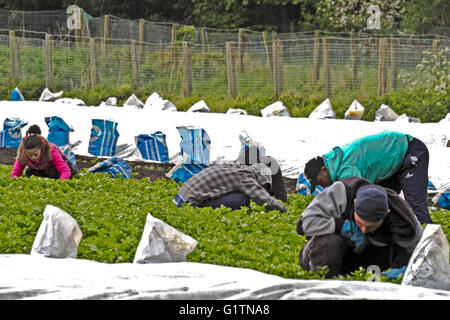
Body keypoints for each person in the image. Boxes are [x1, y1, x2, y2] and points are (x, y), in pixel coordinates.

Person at [296, 177, 424, 279]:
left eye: (370, 227)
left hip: (370, 262)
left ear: (386, 214)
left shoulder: (403, 220)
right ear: (355, 203)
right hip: (326, 254)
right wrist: (341, 226)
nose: (363, 230)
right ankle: (321, 283)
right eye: (360, 223)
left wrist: (405, 268)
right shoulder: (342, 192)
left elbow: (424, 251)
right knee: (330, 241)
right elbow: (302, 225)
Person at [303, 130, 432, 224]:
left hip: (409, 152)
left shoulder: (346, 169)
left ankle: (432, 244)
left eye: (319, 181)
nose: (322, 186)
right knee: (380, 205)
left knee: (416, 208)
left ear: (323, 169)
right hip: (390, 163)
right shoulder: (336, 162)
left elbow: (354, 202)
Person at [173, 162, 287, 212]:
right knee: (242, 198)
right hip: (190, 204)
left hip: (179, 198)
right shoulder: (244, 177)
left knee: (236, 194)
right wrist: (285, 211)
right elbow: (264, 200)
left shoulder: (234, 167)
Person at [10, 124, 78, 180]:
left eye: (35, 154)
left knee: (71, 174)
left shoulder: (51, 151)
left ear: (41, 148)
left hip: (60, 168)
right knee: (29, 173)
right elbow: (16, 171)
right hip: (43, 169)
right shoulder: (23, 154)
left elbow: (65, 170)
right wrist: (13, 180)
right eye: (30, 155)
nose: (33, 157)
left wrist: (61, 183)